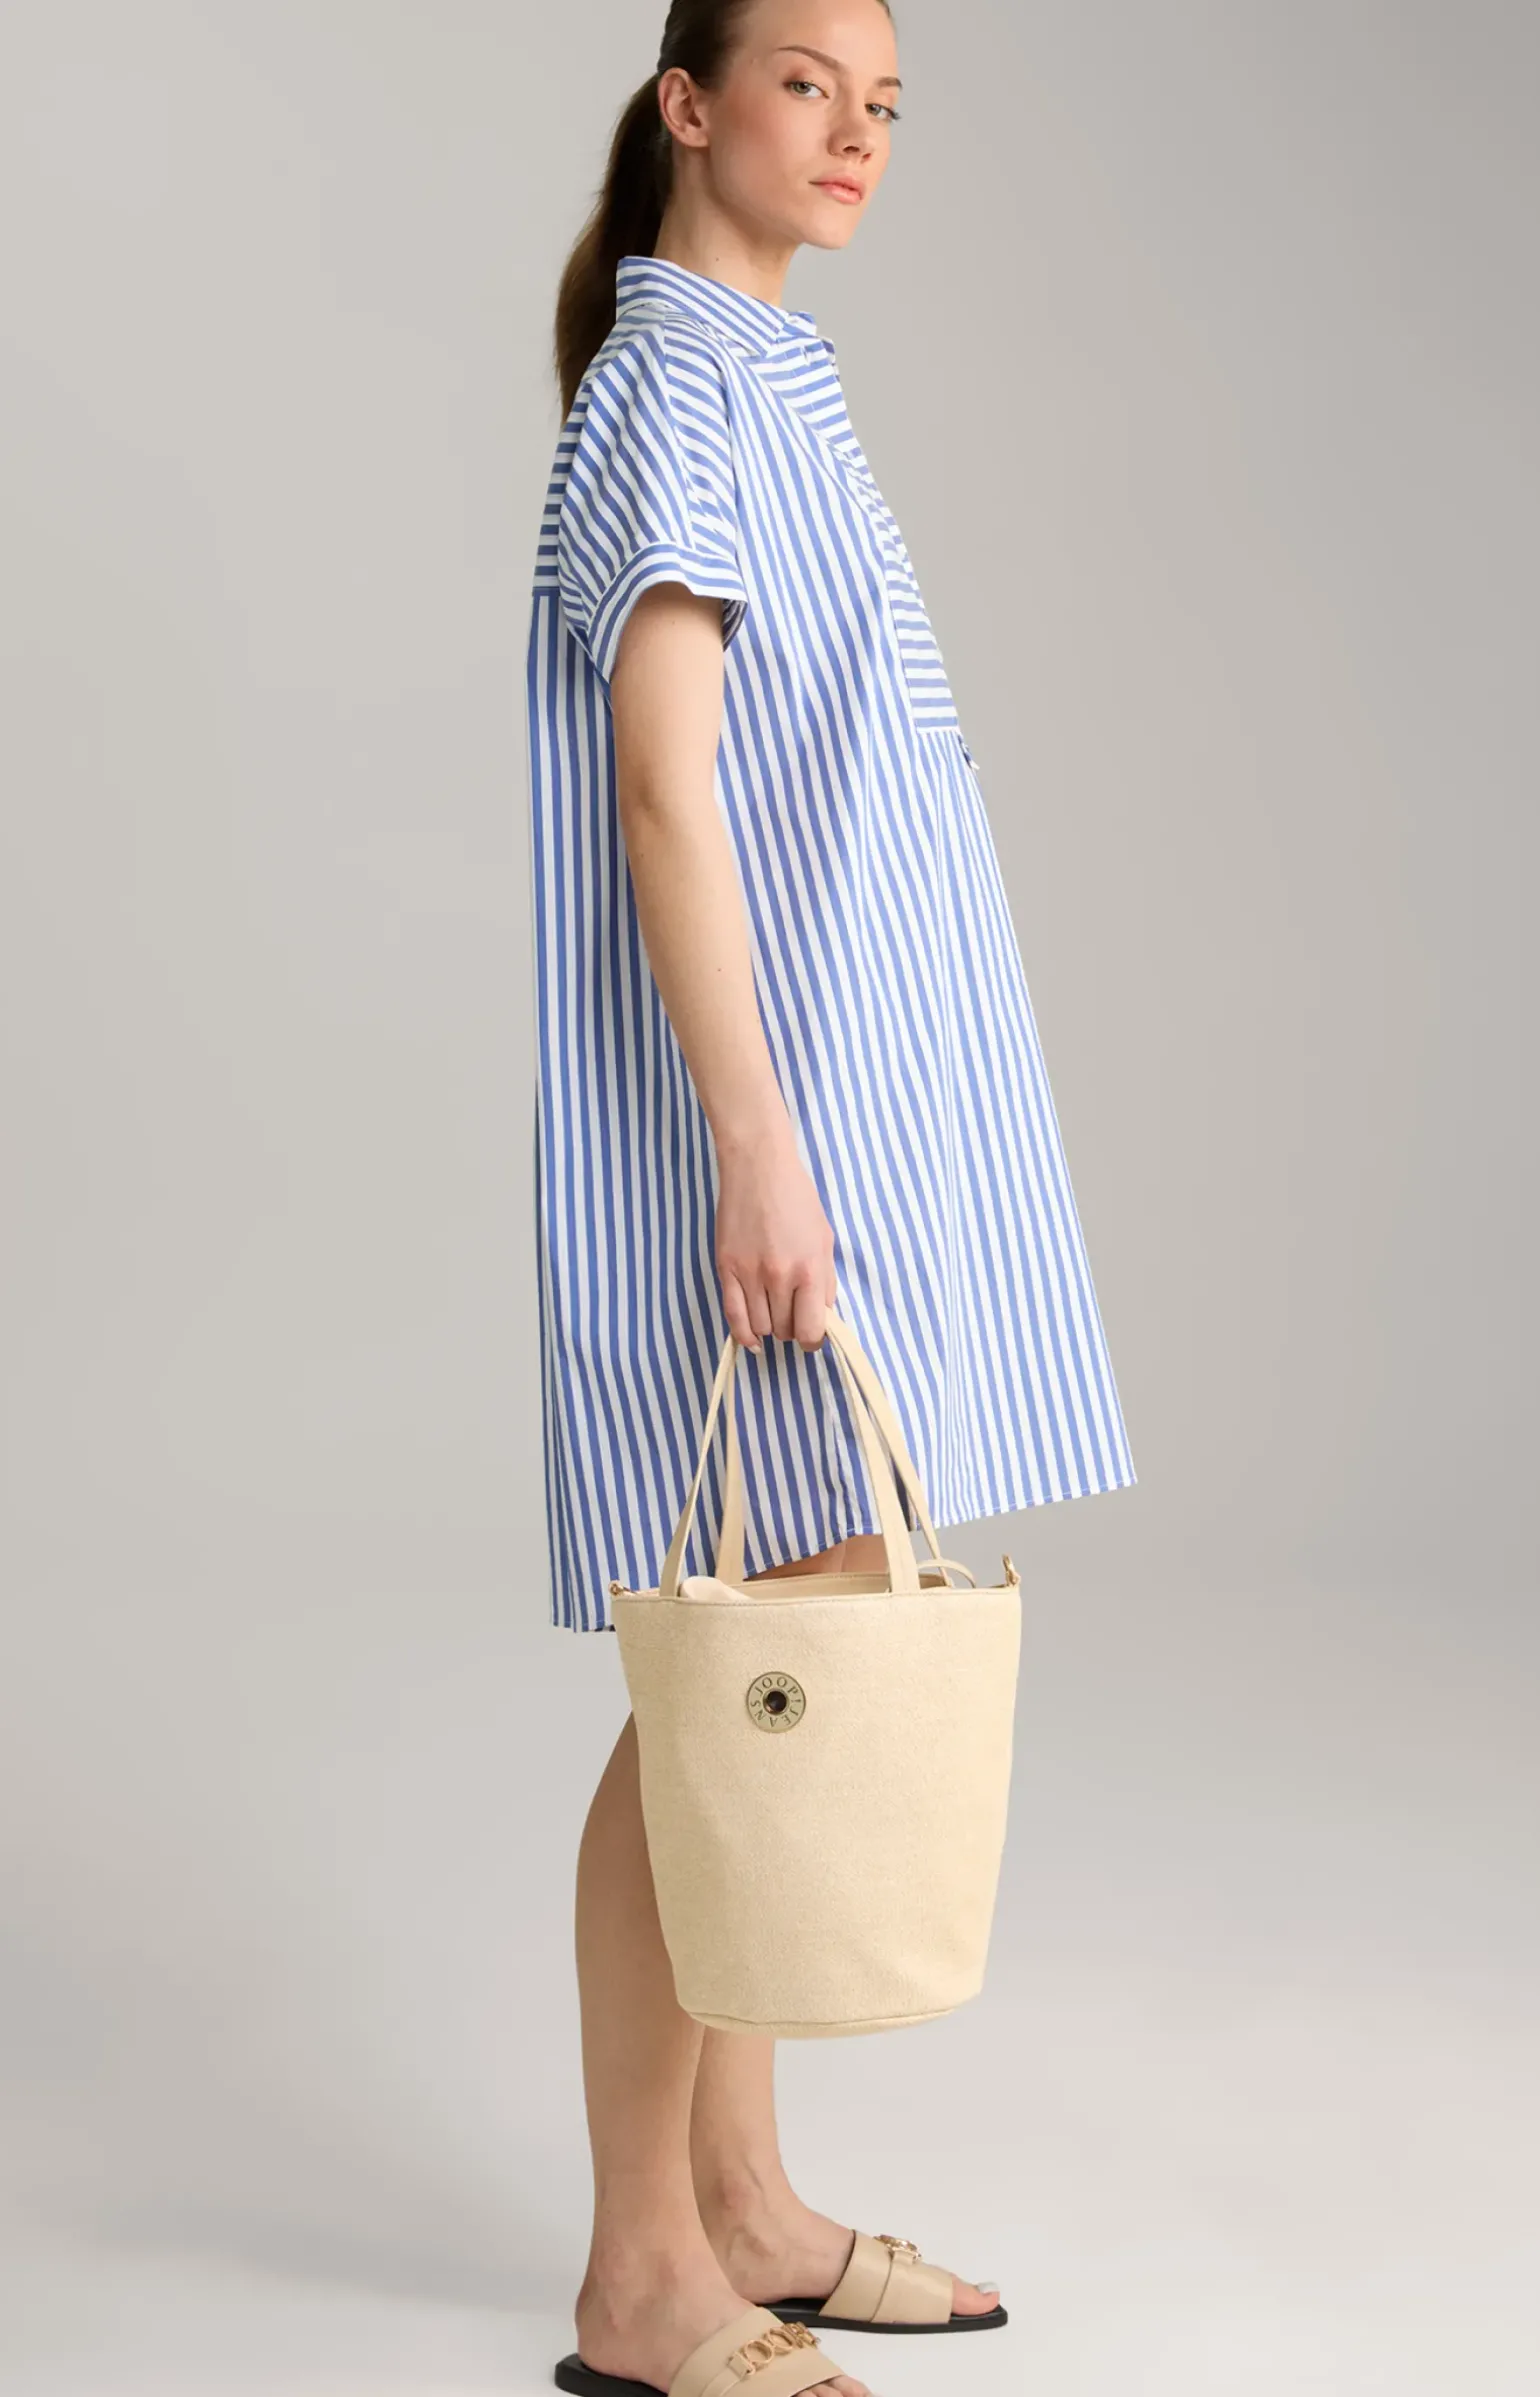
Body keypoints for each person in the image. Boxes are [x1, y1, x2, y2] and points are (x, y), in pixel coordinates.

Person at [526, 5, 1137, 2392]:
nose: (856, 130)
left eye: (884, 101)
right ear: (689, 103)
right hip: (764, 1134)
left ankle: (743, 2201)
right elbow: (664, 795)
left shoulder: (772, 378)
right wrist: (759, 1150)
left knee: (779, 1652)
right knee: (733, 1673)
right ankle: (636, 2273)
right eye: (806, 82)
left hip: (845, 1116)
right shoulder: (673, 395)